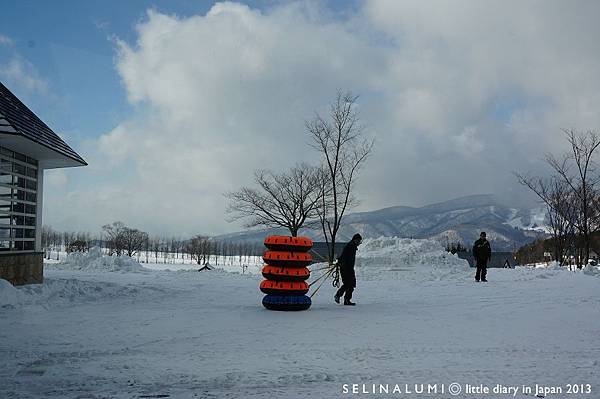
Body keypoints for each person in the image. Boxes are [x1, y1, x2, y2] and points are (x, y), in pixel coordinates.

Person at [334, 233, 362, 306]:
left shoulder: (352, 245)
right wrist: (341, 263)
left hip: (348, 268)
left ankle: (346, 299)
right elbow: (344, 256)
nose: (359, 243)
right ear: (356, 240)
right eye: (359, 241)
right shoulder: (351, 246)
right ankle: (339, 296)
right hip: (346, 268)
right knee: (349, 283)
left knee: (350, 284)